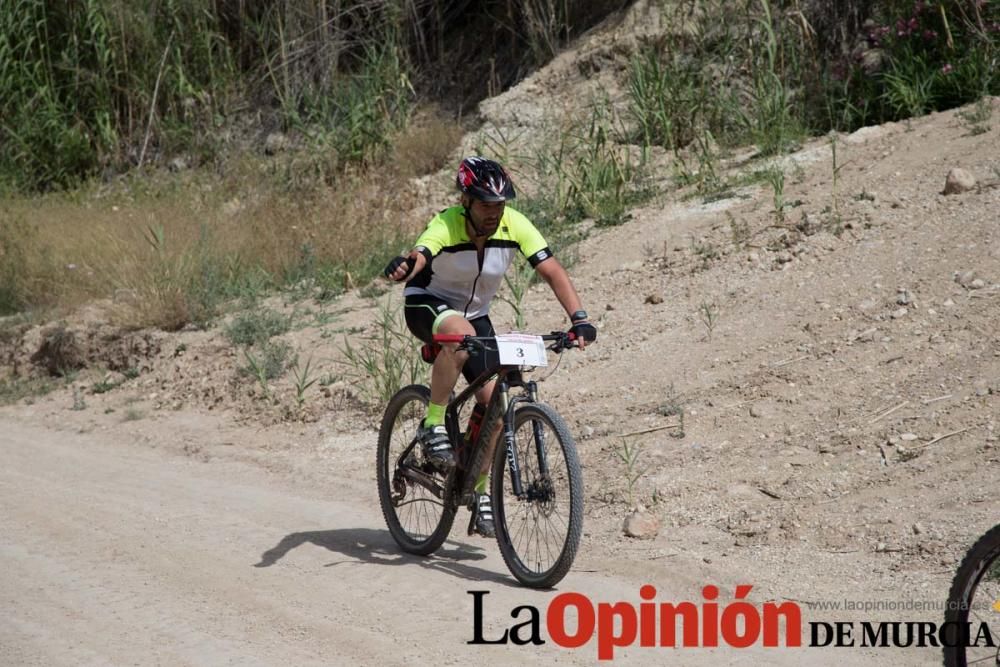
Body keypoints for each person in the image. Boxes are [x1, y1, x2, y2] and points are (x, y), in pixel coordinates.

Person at [384, 156, 596, 537]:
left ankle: (479, 492)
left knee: (495, 404)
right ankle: (433, 424)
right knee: (459, 332)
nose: (494, 214)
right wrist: (405, 266)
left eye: (500, 205)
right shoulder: (447, 223)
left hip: (475, 314)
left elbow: (551, 269)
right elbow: (423, 254)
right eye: (485, 205)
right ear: (466, 201)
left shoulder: (515, 225)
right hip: (426, 302)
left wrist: (578, 318)